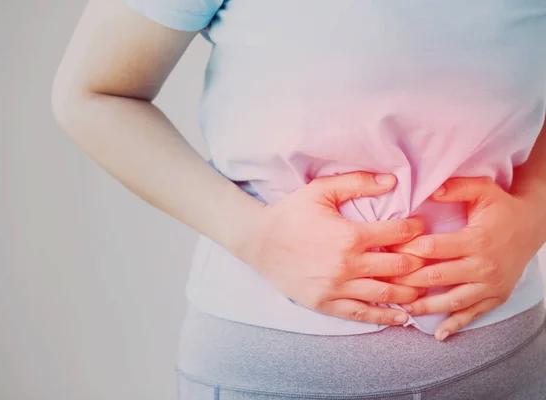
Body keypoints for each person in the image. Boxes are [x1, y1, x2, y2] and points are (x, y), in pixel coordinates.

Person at [51, 0, 546, 398]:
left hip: (511, 360)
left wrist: (533, 211)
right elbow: (95, 92)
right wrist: (257, 238)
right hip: (278, 372)